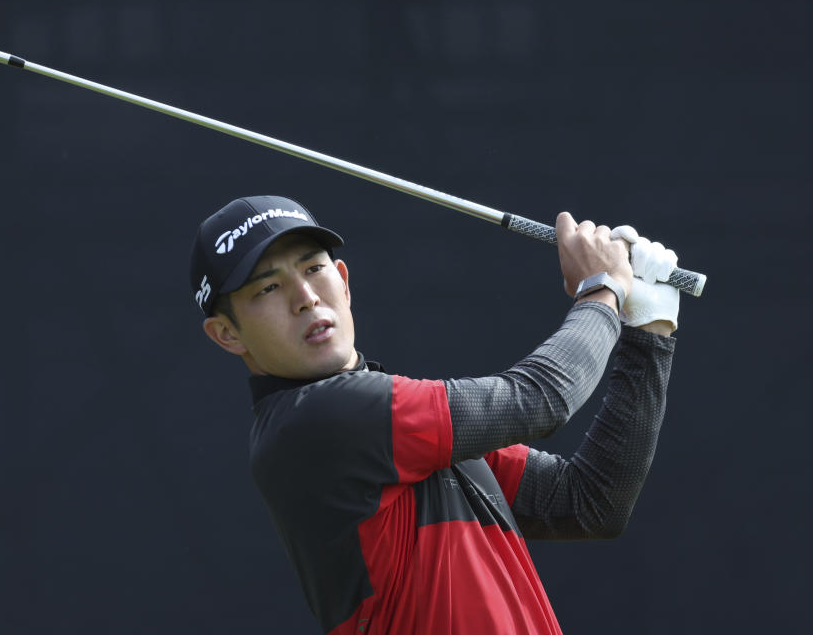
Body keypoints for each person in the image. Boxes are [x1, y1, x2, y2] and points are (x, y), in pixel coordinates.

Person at [189, 195, 678, 634]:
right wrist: (602, 290)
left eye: (313, 268)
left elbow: (590, 504)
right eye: (267, 289)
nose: (305, 297)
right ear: (227, 334)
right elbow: (541, 397)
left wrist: (648, 332)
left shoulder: (404, 432)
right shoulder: (313, 421)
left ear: (342, 280)